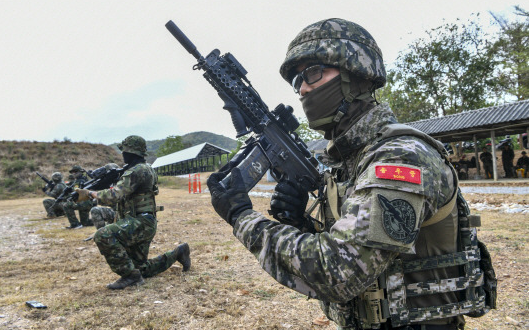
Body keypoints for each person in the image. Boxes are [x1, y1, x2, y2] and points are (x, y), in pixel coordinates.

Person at [207, 19, 496, 330]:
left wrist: (242, 217)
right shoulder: (351, 159)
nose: (303, 88)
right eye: (297, 82)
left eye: (313, 73)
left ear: (355, 74)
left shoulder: (400, 157)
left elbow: (339, 271)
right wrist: (300, 222)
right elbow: (353, 245)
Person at [76, 135, 191, 290]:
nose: (122, 154)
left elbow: (115, 195)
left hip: (139, 223)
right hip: (143, 222)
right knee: (141, 268)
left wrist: (91, 194)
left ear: (131, 151)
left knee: (103, 235)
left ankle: (131, 277)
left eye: (124, 151)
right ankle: (178, 253)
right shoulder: (143, 168)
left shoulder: (137, 171)